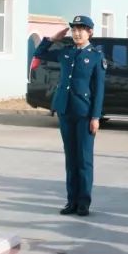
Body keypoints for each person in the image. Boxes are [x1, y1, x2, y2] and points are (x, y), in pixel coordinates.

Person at [32, 15, 106, 216]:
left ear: (90, 32)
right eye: (74, 29)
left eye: (81, 29)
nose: (76, 33)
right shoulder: (66, 53)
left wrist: (95, 117)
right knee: (70, 159)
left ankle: (83, 202)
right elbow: (39, 53)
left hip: (84, 113)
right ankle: (71, 201)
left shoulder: (96, 56)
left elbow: (98, 90)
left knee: (84, 159)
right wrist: (52, 39)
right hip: (65, 111)